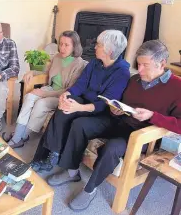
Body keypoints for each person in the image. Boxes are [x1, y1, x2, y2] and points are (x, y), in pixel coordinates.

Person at [46, 40, 181, 212]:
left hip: (140, 135)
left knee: (112, 147)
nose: (139, 70)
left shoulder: (177, 87)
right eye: (138, 64)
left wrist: (153, 116)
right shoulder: (135, 80)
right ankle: (72, 171)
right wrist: (115, 108)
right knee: (80, 124)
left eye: (145, 65)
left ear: (161, 64)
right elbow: (123, 102)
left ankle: (90, 189)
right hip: (120, 121)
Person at [30, 29, 130, 171]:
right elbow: (81, 84)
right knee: (63, 108)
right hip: (84, 100)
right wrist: (68, 93)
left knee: (78, 123)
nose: (95, 46)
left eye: (99, 45)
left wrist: (78, 108)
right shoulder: (95, 63)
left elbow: (104, 104)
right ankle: (50, 155)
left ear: (109, 51)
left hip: (101, 112)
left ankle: (66, 166)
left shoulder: (122, 72)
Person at [2, 31, 88, 149]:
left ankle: (21, 137)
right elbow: (45, 71)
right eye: (61, 44)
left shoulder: (79, 64)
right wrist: (32, 72)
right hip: (50, 88)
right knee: (29, 97)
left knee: (41, 103)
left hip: (62, 96)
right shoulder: (57, 57)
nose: (62, 48)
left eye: (66, 45)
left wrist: (44, 93)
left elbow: (70, 90)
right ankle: (18, 135)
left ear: (75, 46)